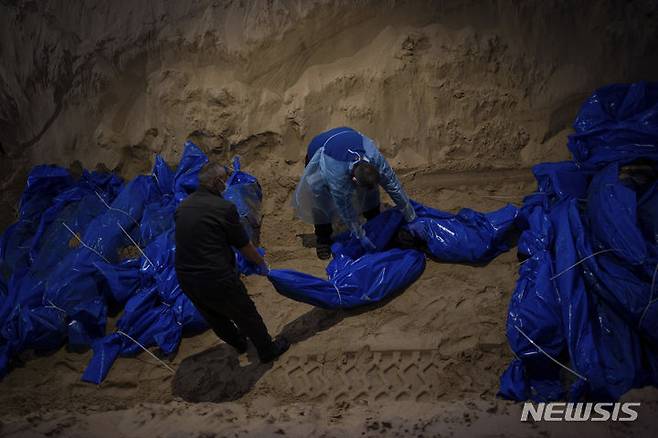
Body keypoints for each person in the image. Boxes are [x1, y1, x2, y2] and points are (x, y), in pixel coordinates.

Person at [175, 162, 289, 363]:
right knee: (245, 312)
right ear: (217, 181)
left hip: (185, 277)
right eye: (225, 179)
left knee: (214, 317)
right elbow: (244, 245)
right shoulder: (224, 208)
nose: (226, 183)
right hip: (215, 276)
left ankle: (238, 343)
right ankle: (267, 350)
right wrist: (261, 263)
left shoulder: (183, 206)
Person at [293, 126, 419, 259]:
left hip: (348, 136)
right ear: (353, 179)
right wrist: (360, 235)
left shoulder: (375, 158)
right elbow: (345, 208)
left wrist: (411, 217)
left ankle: (374, 222)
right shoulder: (336, 172)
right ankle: (323, 237)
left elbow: (394, 186)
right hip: (321, 150)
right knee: (321, 198)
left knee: (371, 193)